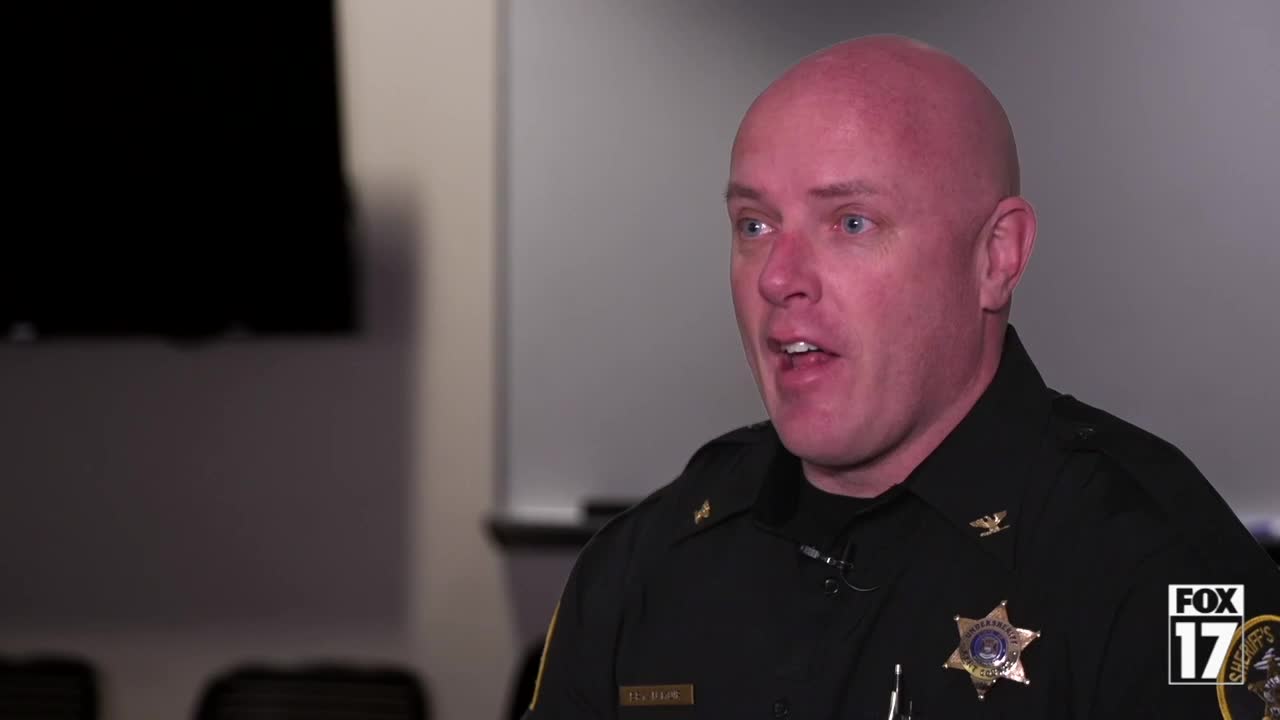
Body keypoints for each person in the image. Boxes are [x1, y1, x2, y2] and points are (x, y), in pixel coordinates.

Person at [524, 35, 1280, 719]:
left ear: (996, 257)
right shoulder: (646, 563)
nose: (779, 277)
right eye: (755, 225)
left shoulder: (1170, 572)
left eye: (851, 223)